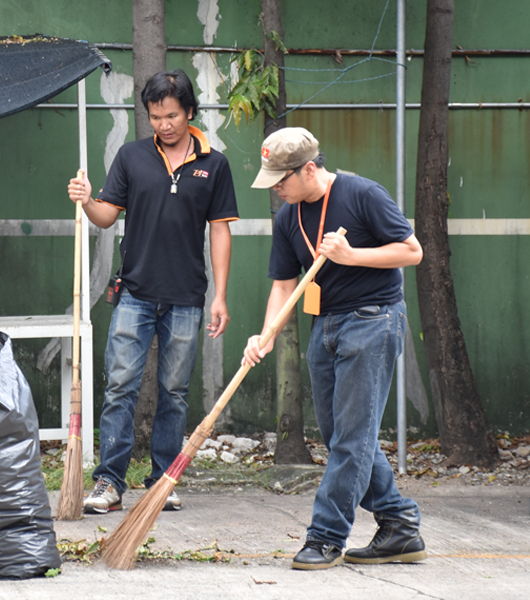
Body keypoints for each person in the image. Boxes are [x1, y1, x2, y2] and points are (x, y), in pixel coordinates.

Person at [242, 127, 427, 570]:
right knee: (341, 435)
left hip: (373, 320)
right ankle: (399, 525)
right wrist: (264, 334)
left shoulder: (362, 193)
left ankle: (326, 536)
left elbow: (412, 250)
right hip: (324, 326)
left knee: (351, 437)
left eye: (281, 180)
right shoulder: (288, 217)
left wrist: (351, 255)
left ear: (309, 168)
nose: (276, 189)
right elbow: (284, 284)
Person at [67, 70, 238, 514]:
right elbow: (105, 217)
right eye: (156, 116)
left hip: (186, 295)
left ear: (190, 113)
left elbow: (220, 231)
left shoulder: (214, 164)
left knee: (175, 391)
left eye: (172, 115)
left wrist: (220, 295)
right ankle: (109, 482)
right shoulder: (131, 156)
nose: (164, 124)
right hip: (135, 291)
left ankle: (164, 479)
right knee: (120, 386)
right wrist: (86, 199)